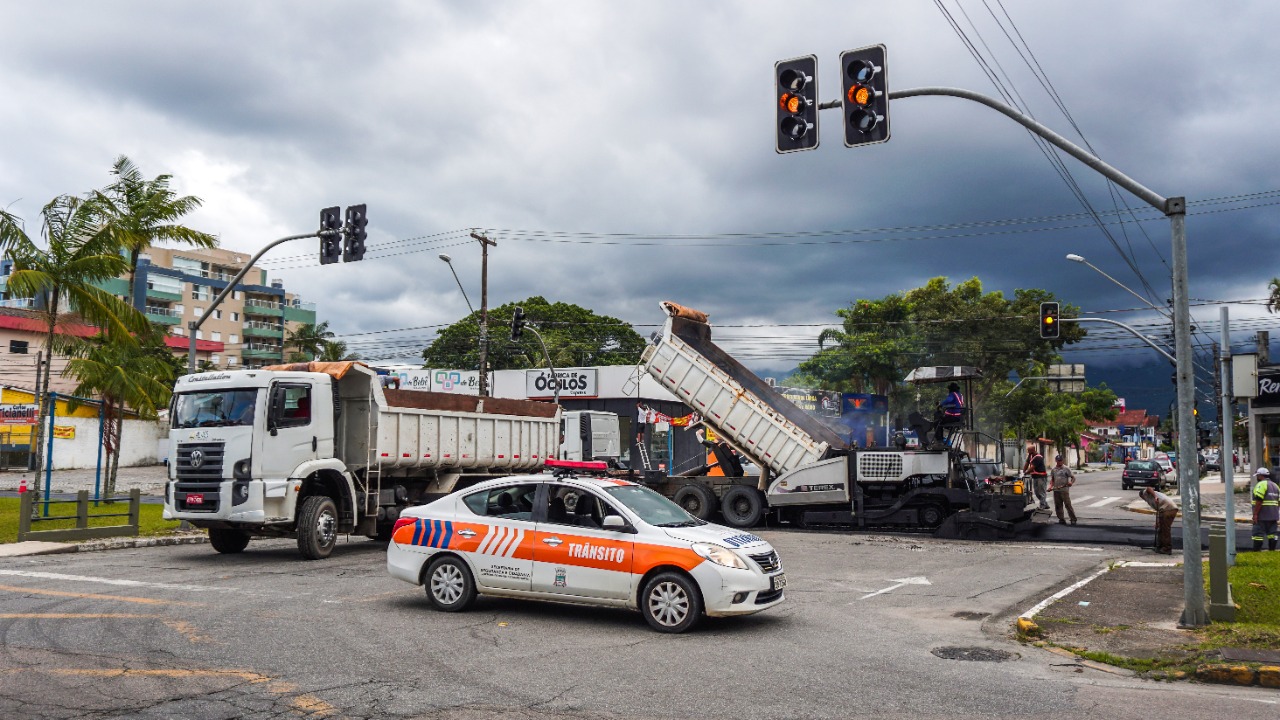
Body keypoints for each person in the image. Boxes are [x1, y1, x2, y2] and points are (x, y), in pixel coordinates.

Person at [1139, 487, 1179, 555]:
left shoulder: (1147, 493)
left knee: (1165, 530)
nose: (1143, 499)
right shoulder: (1150, 501)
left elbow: (1149, 488)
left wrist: (1155, 497)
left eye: (1142, 498)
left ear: (1142, 495)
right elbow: (1158, 510)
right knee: (1160, 529)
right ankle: (1161, 546)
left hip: (1168, 508)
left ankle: (1167, 548)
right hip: (1166, 510)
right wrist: (1157, 522)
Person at [1251, 467, 1279, 551]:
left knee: (1257, 535)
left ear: (1260, 476)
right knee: (1272, 535)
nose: (1257, 478)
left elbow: (1259, 500)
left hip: (1261, 516)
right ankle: (1272, 552)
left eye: (1257, 476)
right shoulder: (1276, 486)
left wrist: (1255, 514)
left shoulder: (1261, 485)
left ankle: (1256, 554)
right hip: (1273, 516)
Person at [1048, 454, 1077, 525]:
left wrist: (1071, 482)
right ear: (1056, 461)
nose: (1059, 462)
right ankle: (1061, 519)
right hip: (1056, 490)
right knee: (1058, 505)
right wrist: (1050, 486)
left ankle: (1073, 519)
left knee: (1068, 505)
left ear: (1062, 461)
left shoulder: (1066, 468)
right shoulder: (1053, 469)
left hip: (1064, 490)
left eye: (1060, 460)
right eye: (1058, 461)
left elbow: (1073, 477)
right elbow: (1052, 479)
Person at [1023, 446, 1049, 511]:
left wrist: (1026, 472)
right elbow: (1027, 463)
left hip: (1041, 477)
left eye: (1029, 451)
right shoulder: (1030, 456)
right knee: (1036, 492)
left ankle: (1042, 506)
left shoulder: (1038, 457)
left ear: (1033, 450)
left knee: (1041, 492)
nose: (1028, 452)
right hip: (1035, 477)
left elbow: (1032, 467)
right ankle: (1045, 504)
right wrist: (1023, 471)